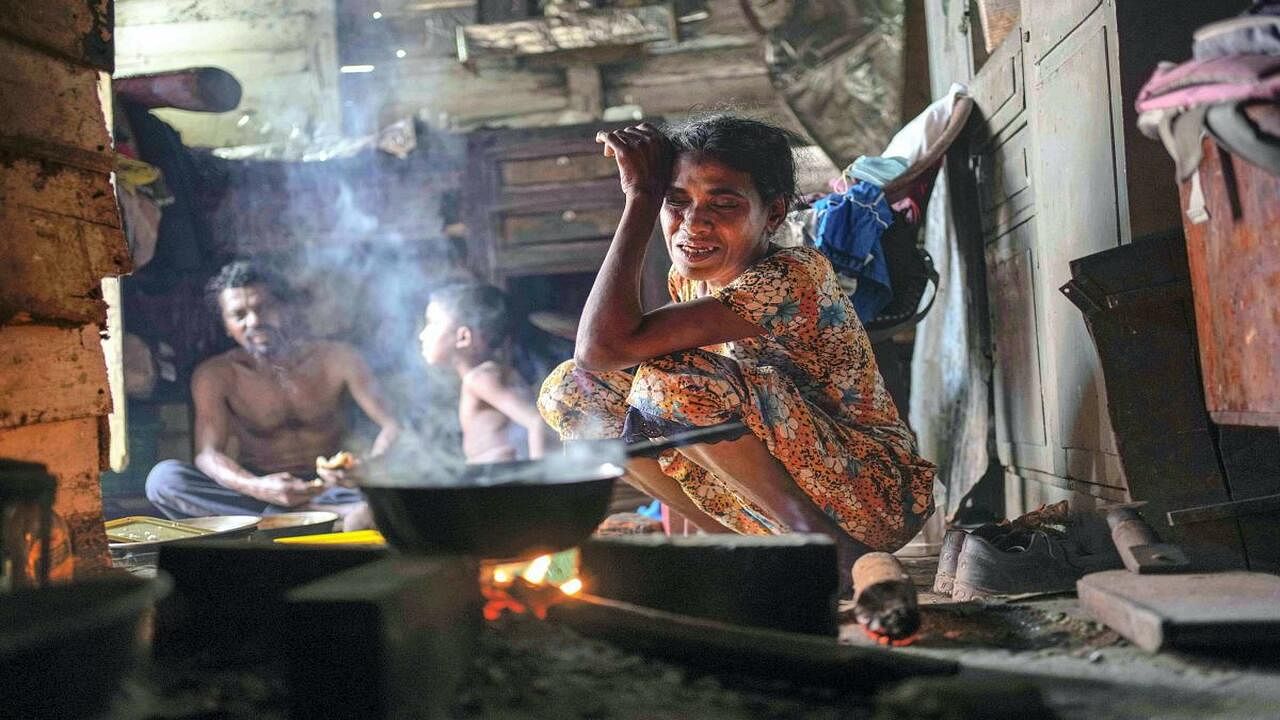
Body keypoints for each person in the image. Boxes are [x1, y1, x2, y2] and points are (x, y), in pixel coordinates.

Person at [536, 117, 936, 586]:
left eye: (723, 204)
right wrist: (650, 197)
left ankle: (831, 556)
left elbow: (602, 346)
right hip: (774, 504)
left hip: (874, 495)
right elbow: (596, 364)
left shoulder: (792, 276)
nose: (694, 222)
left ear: (773, 215)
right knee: (572, 392)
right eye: (676, 201)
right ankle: (742, 547)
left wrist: (641, 198)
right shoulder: (690, 280)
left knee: (671, 382)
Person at [145, 261, 401, 520]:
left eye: (263, 308)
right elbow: (208, 455)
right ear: (226, 325)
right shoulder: (216, 374)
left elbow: (393, 426)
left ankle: (292, 519)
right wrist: (259, 487)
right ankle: (323, 517)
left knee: (405, 484)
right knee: (164, 480)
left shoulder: (338, 358)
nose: (254, 322)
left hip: (336, 490)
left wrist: (367, 466)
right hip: (260, 493)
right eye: (239, 315)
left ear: (286, 309)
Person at [419, 284, 552, 462]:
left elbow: (537, 422)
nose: (422, 335)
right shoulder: (484, 376)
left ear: (463, 337)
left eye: (432, 323)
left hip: (503, 479)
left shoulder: (481, 378)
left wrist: (541, 478)